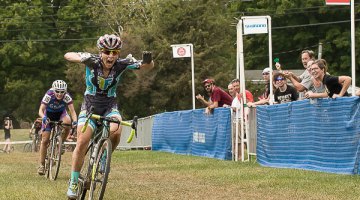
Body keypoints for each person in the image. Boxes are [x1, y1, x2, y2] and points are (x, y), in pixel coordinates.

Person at [64, 33, 154, 199]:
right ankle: (74, 181)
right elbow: (67, 55)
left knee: (117, 128)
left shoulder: (122, 64)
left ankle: (105, 157)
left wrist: (149, 61)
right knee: (83, 140)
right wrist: (80, 57)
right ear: (101, 52)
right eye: (107, 52)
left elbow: (146, 66)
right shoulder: (92, 61)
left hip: (109, 106)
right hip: (90, 105)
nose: (111, 56)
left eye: (114, 52)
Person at [37, 80, 78, 175]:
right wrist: (43, 117)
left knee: (68, 122)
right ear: (54, 90)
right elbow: (41, 110)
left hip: (61, 114)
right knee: (45, 140)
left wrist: (75, 121)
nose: (60, 94)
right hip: (48, 115)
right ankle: (42, 165)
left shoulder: (67, 97)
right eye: (57, 91)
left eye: (62, 92)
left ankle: (61, 143)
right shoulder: (49, 95)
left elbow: (72, 111)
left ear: (65, 91)